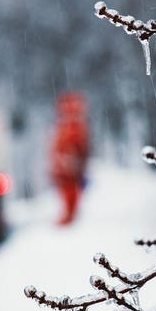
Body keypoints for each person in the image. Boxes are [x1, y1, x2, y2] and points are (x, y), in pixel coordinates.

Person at [50, 92, 90, 226]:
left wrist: (70, 160)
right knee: (67, 191)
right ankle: (69, 214)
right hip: (65, 167)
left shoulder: (74, 127)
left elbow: (79, 148)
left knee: (70, 190)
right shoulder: (66, 126)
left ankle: (70, 215)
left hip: (69, 167)